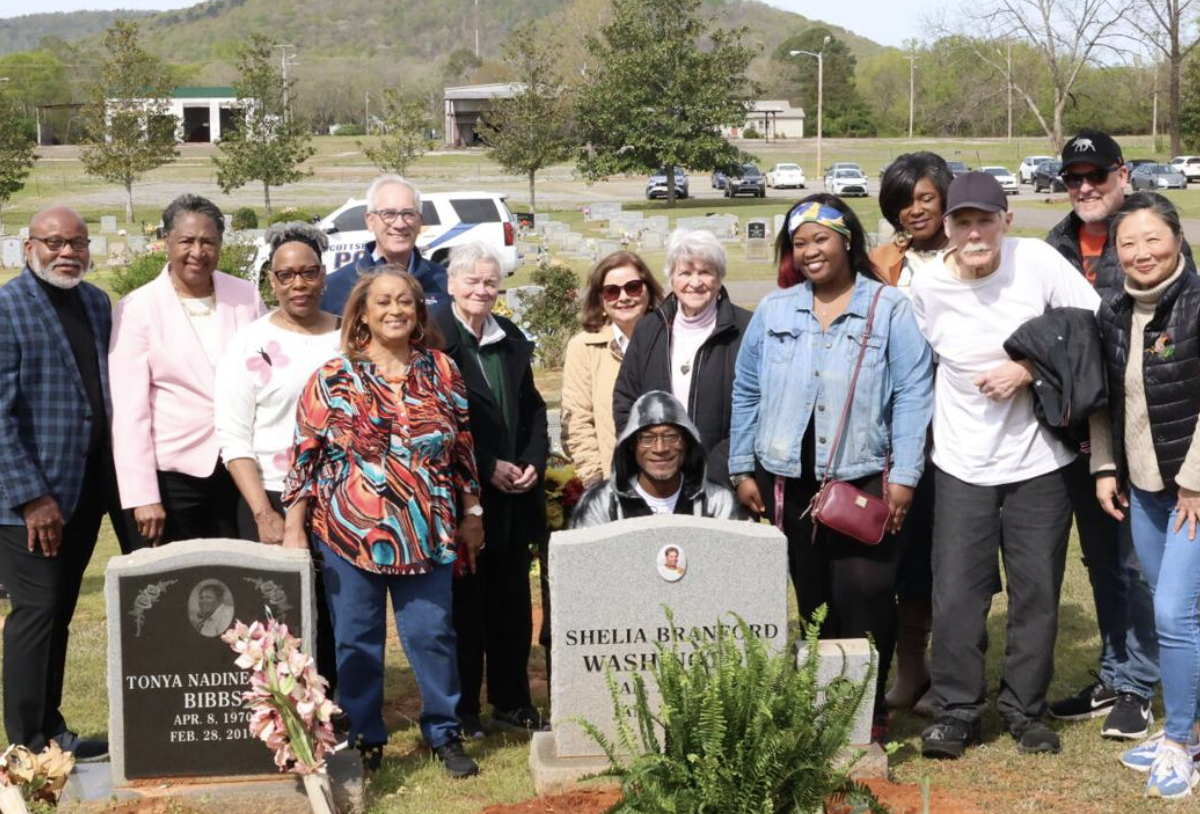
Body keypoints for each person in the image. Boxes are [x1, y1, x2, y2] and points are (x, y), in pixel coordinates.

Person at [911, 172, 1101, 759]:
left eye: (985, 220)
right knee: (958, 593)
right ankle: (957, 710)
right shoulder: (925, 287)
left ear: (1006, 222)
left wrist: (1029, 369)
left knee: (1037, 590)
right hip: (962, 463)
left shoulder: (1036, 261)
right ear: (946, 230)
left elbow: (1093, 324)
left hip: (1039, 461)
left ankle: (1025, 708)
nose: (975, 233)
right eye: (962, 222)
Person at [729, 196, 933, 740]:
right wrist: (741, 467)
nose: (810, 251)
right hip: (788, 480)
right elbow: (747, 390)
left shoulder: (888, 308)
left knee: (864, 591)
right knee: (815, 597)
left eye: (820, 239)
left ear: (847, 241)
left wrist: (906, 476)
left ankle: (867, 706)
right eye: (799, 243)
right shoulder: (775, 311)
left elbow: (914, 393)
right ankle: (826, 710)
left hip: (865, 474)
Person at [282, 266, 483, 779]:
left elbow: (462, 448)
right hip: (348, 533)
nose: (395, 310)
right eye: (383, 303)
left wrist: (472, 511)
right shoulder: (331, 377)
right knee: (355, 640)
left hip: (428, 530)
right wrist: (292, 526)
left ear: (418, 313)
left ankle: (444, 732)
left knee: (433, 634)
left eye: (406, 302)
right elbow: (305, 456)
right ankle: (366, 736)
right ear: (362, 315)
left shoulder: (441, 370)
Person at [1044, 129, 1160, 740]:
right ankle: (1116, 672)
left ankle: (1140, 685)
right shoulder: (1053, 245)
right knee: (1100, 560)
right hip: (1076, 429)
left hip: (1138, 425)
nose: (1085, 187)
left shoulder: (1146, 237)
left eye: (1096, 175)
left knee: (1136, 563)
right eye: (1073, 178)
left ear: (1122, 173)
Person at [1088, 193, 1200, 798]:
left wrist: (1194, 479)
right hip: (1146, 487)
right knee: (1176, 608)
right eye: (1127, 243)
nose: (1140, 253)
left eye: (1152, 238)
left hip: (1192, 491)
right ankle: (1192, 726)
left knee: (1174, 616)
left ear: (1177, 239)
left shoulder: (1198, 305)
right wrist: (1106, 467)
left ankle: (1180, 739)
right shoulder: (1114, 313)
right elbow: (1108, 399)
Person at [0, 207, 118, 760]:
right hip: (28, 501)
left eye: (77, 242)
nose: (66, 252)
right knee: (36, 612)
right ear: (29, 248)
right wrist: (30, 496)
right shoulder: (7, 308)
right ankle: (25, 747)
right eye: (53, 242)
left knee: (60, 612)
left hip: (82, 491)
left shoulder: (95, 302)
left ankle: (53, 729)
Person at [214, 221, 342, 687]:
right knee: (276, 612)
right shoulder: (250, 343)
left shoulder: (349, 338)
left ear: (323, 275)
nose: (298, 284)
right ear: (271, 280)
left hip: (341, 498)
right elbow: (234, 436)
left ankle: (334, 703)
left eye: (308, 273)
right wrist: (263, 511)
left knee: (335, 611)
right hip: (270, 492)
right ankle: (283, 706)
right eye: (286, 276)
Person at [433, 242, 549, 739]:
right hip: (462, 496)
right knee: (466, 609)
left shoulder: (509, 336)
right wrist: (486, 466)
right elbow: (435, 422)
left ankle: (511, 700)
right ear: (452, 285)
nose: (482, 290)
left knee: (511, 606)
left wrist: (531, 463)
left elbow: (535, 409)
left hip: (513, 499)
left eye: (490, 282)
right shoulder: (435, 339)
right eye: (473, 281)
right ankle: (462, 713)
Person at [109, 194, 264, 546]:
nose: (198, 251)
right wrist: (141, 494)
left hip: (239, 469)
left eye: (208, 241)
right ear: (167, 242)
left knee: (241, 582)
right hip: (172, 476)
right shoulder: (137, 308)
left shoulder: (247, 296)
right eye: (187, 241)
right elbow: (130, 411)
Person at [870, 152, 955, 718]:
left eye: (925, 197)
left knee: (948, 554)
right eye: (903, 200)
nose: (914, 209)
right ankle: (910, 667)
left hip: (957, 426)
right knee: (900, 553)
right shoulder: (882, 262)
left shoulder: (972, 250)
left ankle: (949, 672)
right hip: (896, 430)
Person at [613, 229, 751, 485]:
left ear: (719, 277)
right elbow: (625, 400)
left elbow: (756, 411)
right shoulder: (649, 329)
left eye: (705, 272)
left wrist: (717, 470)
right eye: (685, 273)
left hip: (724, 480)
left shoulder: (747, 330)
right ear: (672, 279)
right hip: (657, 481)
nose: (695, 282)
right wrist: (646, 457)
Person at [562, 251, 664, 487]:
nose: (624, 297)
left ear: (648, 291)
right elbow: (577, 420)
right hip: (614, 482)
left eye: (633, 287)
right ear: (601, 299)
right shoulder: (583, 347)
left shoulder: (671, 339)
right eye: (612, 291)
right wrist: (595, 481)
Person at [571, 390, 743, 526]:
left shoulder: (718, 501)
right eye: (647, 438)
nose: (660, 448)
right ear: (631, 445)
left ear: (687, 442)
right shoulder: (600, 503)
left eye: (671, 437)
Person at [322, 175, 448, 315]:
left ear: (420, 222)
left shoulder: (444, 283)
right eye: (389, 214)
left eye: (408, 214)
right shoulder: (336, 288)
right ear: (370, 221)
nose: (399, 224)